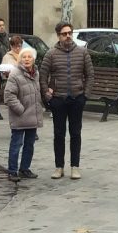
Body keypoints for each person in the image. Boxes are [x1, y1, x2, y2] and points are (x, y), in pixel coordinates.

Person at [40, 21, 94, 180]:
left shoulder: (82, 53)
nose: (68, 36)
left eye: (70, 32)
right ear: (58, 36)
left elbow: (90, 75)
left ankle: (75, 167)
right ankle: (59, 167)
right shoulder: (51, 54)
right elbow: (43, 76)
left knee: (76, 133)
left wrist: (86, 95)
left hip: (77, 98)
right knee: (59, 134)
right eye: (64, 34)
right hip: (59, 99)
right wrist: (47, 94)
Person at [4, 49, 42, 181]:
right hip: (20, 115)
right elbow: (9, 96)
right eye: (24, 57)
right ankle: (12, 170)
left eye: (29, 57)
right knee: (16, 144)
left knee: (29, 144)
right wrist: (21, 110)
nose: (26, 59)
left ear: (33, 59)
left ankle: (25, 168)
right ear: (20, 59)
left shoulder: (36, 73)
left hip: (33, 115)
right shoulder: (15, 74)